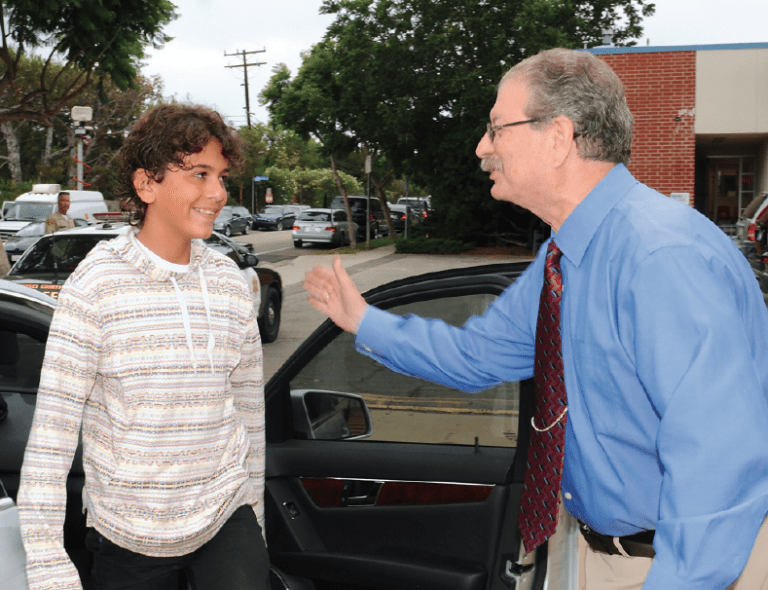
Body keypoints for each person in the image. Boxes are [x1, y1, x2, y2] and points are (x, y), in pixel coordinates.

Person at [303, 48, 768, 590]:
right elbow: (479, 355)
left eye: (497, 128)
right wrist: (362, 319)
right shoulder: (564, 256)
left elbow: (715, 460)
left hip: (686, 567)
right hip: (598, 552)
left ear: (557, 137)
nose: (483, 147)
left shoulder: (659, 258)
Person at [18, 104, 269, 590]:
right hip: (128, 534)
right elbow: (52, 435)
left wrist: (254, 513)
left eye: (220, 176)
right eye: (199, 174)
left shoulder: (229, 284)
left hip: (224, 514)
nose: (217, 193)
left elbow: (248, 412)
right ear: (146, 184)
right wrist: (48, 561)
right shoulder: (95, 287)